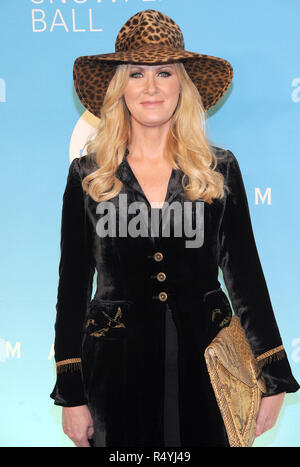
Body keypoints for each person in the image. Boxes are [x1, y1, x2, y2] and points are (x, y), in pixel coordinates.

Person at [50, 9, 299, 447]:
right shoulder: (87, 175)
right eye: (136, 73)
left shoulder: (217, 169)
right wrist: (71, 394)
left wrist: (273, 372)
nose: (150, 87)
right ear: (118, 88)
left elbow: (245, 277)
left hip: (207, 367)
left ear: (181, 85)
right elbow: (71, 288)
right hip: (113, 371)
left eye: (164, 72)